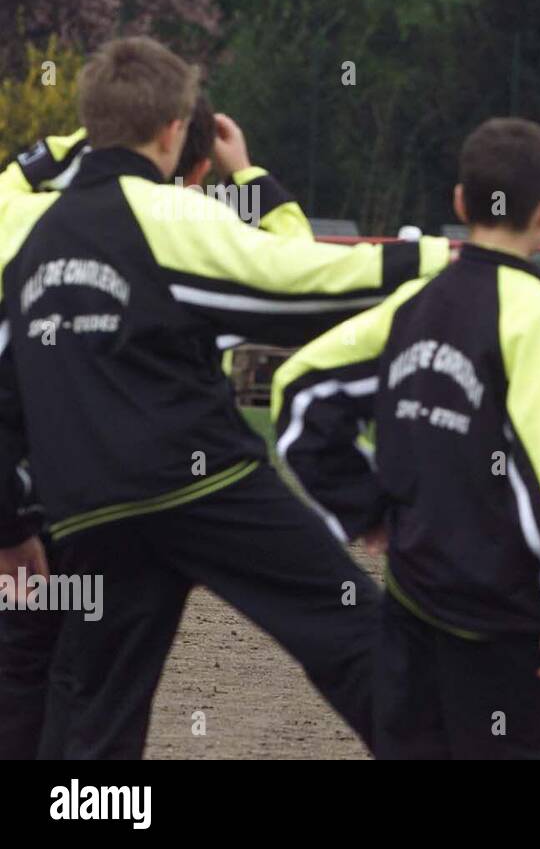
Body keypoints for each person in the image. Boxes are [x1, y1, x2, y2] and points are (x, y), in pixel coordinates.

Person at [0, 36, 450, 758]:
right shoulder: (172, 217)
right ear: (174, 130)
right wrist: (439, 262)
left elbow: (5, 394)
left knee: (95, 717)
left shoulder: (28, 238)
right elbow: (299, 281)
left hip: (88, 508)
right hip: (203, 484)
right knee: (353, 633)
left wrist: (9, 523)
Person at [271, 118, 540, 758]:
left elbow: (300, 390)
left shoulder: (412, 305)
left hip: (409, 609)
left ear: (460, 203)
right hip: (510, 633)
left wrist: (365, 507)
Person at [0, 92, 319, 759]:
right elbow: (296, 260)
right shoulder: (202, 225)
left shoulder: (41, 214)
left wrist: (73, 143)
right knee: (95, 683)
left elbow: (12, 183)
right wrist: (250, 176)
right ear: (194, 162)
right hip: (141, 487)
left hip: (30, 484)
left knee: (25, 658)